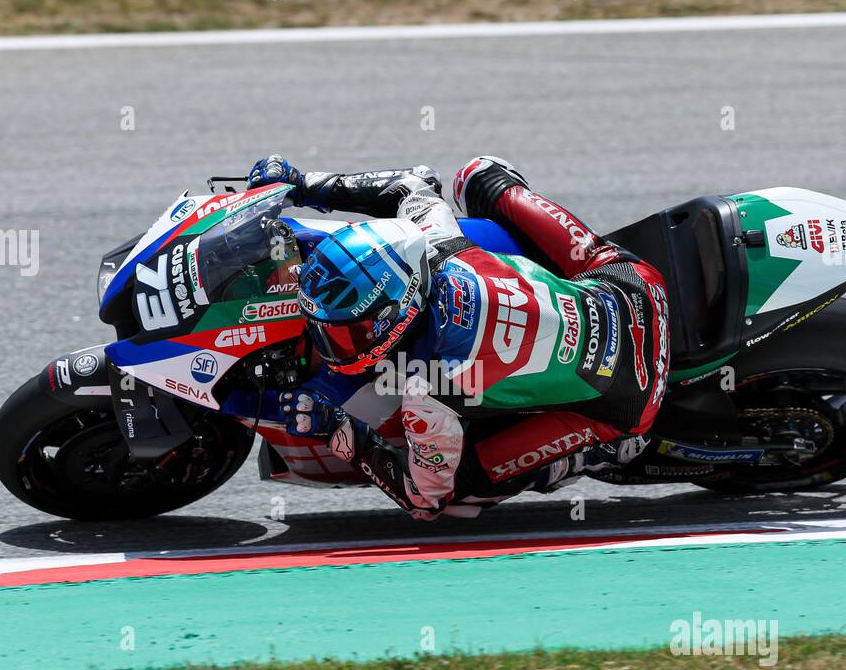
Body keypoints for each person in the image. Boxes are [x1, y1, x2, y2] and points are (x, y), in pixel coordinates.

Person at [246, 154, 670, 519]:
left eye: (348, 331)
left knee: (459, 496)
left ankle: (593, 456)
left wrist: (341, 431)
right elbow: (412, 183)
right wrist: (302, 185)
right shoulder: (440, 244)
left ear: (399, 310)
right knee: (477, 173)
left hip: (627, 399)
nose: (332, 343)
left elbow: (424, 500)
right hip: (631, 284)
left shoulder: (424, 390)